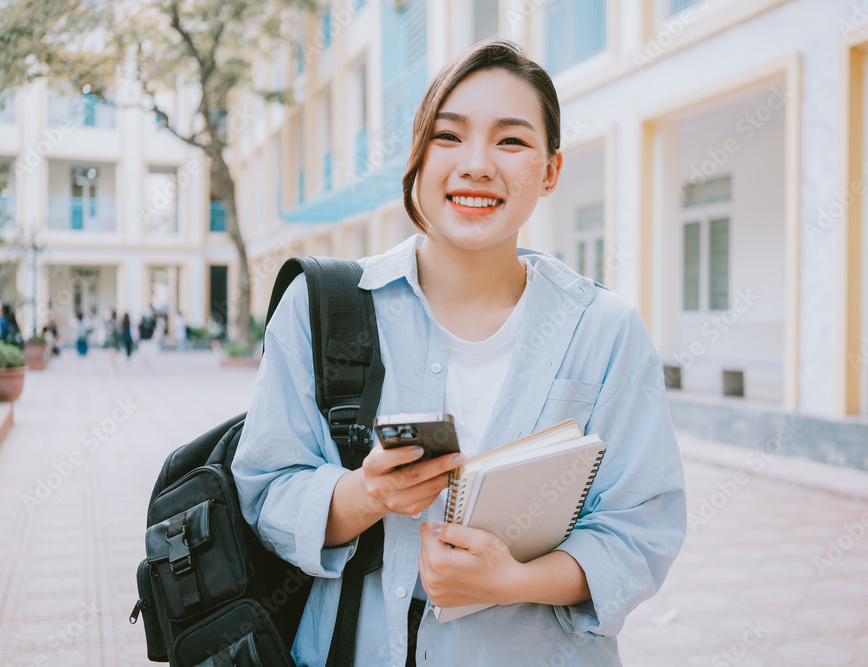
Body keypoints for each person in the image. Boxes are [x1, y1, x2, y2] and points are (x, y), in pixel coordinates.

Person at [231, 40, 686, 667]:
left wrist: (514, 581)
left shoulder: (605, 331)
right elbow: (266, 490)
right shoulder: (324, 306)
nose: (476, 165)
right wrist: (367, 493)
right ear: (417, 158)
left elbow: (642, 529)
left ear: (551, 170)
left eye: (511, 141)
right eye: (448, 137)